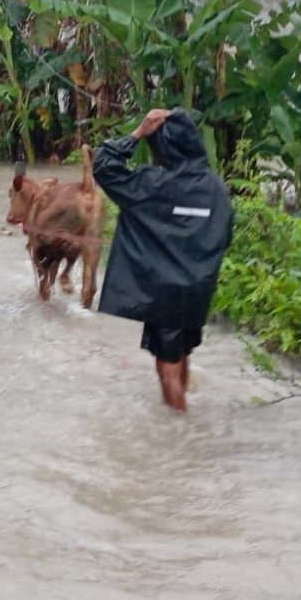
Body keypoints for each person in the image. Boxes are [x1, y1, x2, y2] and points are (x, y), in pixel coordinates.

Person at [92, 108, 234, 411]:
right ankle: (180, 415)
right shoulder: (216, 188)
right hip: (198, 289)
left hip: (164, 292)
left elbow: (103, 166)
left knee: (167, 367)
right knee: (182, 355)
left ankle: (180, 430)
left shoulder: (151, 184)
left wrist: (137, 133)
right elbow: (225, 234)